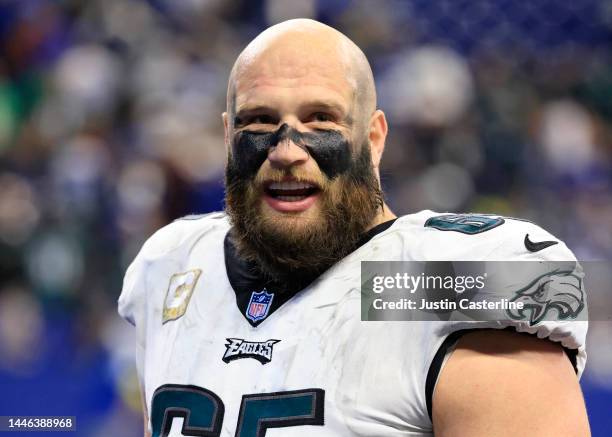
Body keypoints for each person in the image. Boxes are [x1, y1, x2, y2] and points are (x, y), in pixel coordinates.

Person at [118, 19, 590, 436]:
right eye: (259, 122)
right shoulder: (175, 265)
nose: (286, 151)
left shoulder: (424, 281)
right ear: (227, 138)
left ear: (373, 138)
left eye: (320, 119)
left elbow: (543, 290)